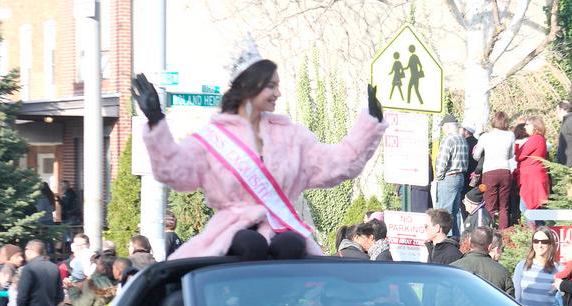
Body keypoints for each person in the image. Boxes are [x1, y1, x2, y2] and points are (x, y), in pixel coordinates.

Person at [134, 56, 386, 260]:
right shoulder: (213, 137)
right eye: (271, 86)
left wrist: (369, 126)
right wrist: (156, 120)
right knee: (249, 243)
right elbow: (176, 173)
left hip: (283, 230)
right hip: (231, 230)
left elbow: (337, 164)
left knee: (291, 245)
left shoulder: (291, 136)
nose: (278, 93)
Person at [473, 111, 515, 228]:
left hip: (489, 172)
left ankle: (488, 233)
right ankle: (503, 234)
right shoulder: (510, 135)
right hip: (505, 171)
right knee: (504, 207)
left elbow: (476, 155)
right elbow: (512, 154)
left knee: (489, 205)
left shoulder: (485, 136)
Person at [513, 227, 560, 306]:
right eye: (536, 241)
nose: (539, 245)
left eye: (544, 242)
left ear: (550, 244)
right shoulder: (522, 266)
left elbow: (561, 301)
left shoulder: (559, 269)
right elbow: (516, 297)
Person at [450, 227, 514, 296]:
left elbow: (442, 300)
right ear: (490, 247)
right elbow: (510, 302)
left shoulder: (452, 269)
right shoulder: (502, 272)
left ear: (469, 241)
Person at [433, 114, 469, 234]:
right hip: (460, 177)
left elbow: (442, 162)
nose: (443, 129)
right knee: (456, 211)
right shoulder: (462, 139)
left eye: (443, 127)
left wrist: (438, 177)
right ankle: (455, 238)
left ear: (447, 126)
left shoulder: (448, 139)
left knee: (444, 213)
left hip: (449, 177)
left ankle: (445, 240)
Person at [16, 239, 64, 306]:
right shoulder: (54, 267)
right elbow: (60, 296)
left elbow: (22, 296)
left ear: (29, 251)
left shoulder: (28, 268)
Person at [516, 115, 550, 213]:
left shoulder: (535, 139)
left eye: (527, 124)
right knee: (532, 208)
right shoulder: (540, 139)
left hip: (531, 179)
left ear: (535, 126)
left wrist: (517, 148)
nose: (525, 127)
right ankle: (537, 227)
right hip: (533, 177)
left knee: (527, 208)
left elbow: (520, 156)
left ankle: (534, 228)